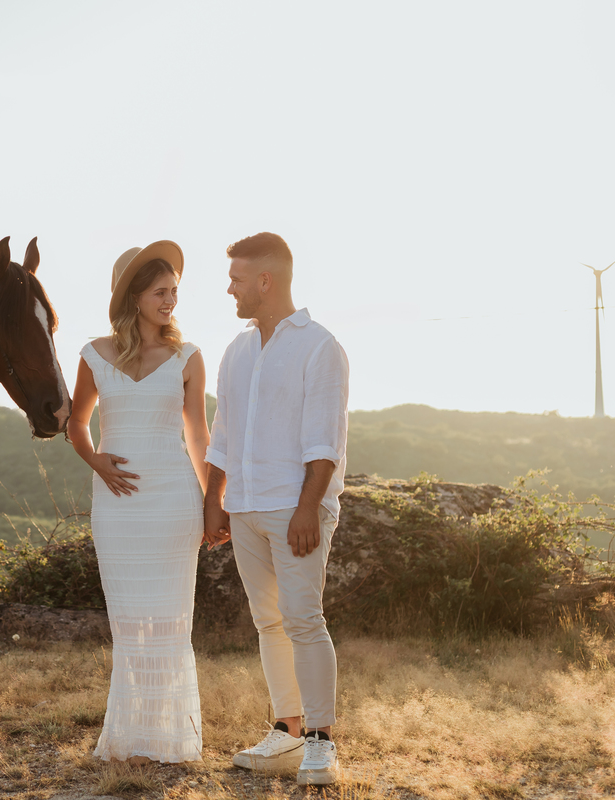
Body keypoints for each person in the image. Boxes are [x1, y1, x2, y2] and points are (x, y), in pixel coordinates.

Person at [203, 232, 349, 786]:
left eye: (237, 278)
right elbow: (223, 433)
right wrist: (213, 501)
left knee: (304, 620)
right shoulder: (237, 350)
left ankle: (320, 742)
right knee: (269, 622)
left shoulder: (319, 346)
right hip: (244, 507)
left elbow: (324, 442)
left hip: (297, 508)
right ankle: (287, 732)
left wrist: (308, 508)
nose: (230, 288)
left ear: (265, 281)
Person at [67, 240, 209, 764]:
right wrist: (96, 460)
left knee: (171, 621)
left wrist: (212, 501)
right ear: (134, 296)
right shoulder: (94, 354)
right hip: (117, 505)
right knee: (130, 622)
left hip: (174, 499)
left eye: (174, 291)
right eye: (159, 292)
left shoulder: (188, 356)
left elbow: (199, 436)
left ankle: (170, 739)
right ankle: (131, 738)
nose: (170, 300)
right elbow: (77, 423)